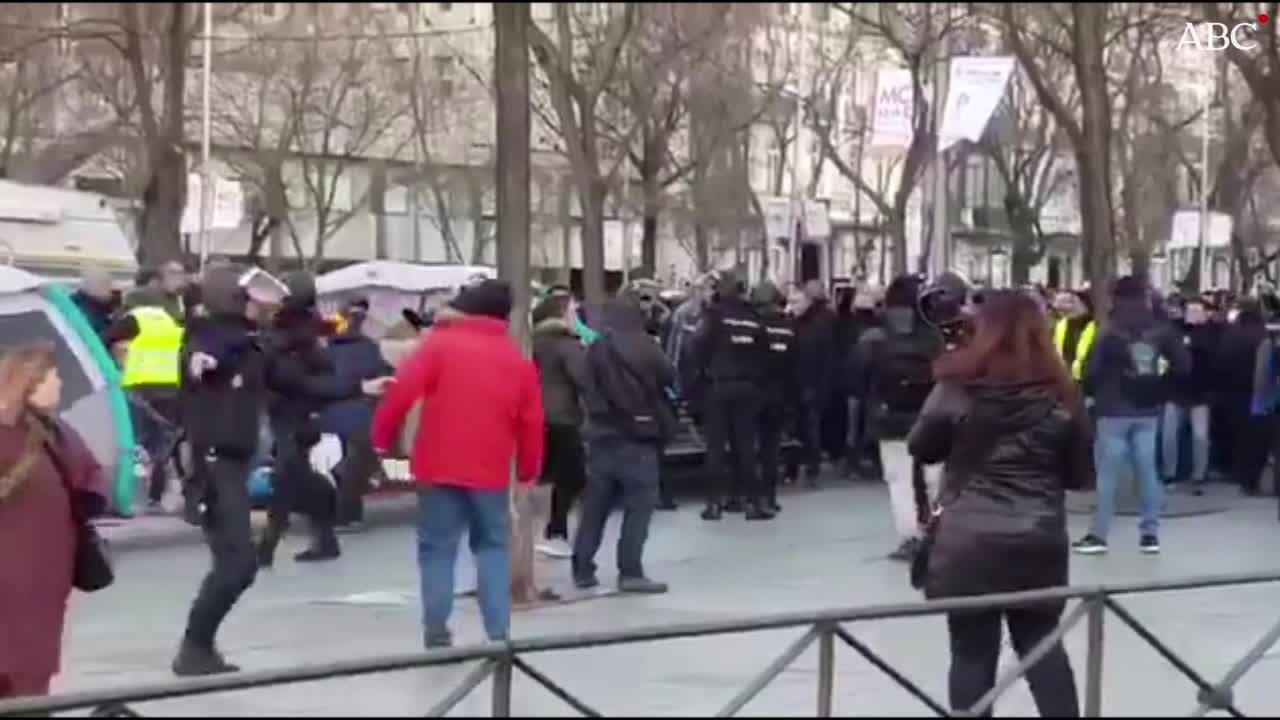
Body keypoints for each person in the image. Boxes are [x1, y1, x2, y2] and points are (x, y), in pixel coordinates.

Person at [907, 290, 1087, 717]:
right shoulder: (1062, 394)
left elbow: (923, 447)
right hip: (1038, 535)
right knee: (1043, 647)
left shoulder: (958, 386)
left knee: (971, 652)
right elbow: (1079, 476)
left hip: (969, 537)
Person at [371, 279, 544, 648]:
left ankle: (436, 629)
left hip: (438, 466)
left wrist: (382, 439)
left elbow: (401, 392)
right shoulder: (517, 359)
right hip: (491, 471)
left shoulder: (439, 346)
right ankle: (497, 634)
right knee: (492, 548)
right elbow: (531, 423)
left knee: (437, 548)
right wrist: (528, 470)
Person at [173, 265, 286, 676]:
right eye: (254, 297)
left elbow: (292, 380)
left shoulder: (253, 348)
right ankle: (194, 648)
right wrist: (198, 361)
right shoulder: (207, 339)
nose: (264, 306)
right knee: (237, 564)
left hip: (234, 465)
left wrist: (356, 388)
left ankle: (197, 648)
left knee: (237, 565)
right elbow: (202, 356)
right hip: (215, 466)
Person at [257, 272, 388, 567]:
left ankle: (268, 546)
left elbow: (297, 381)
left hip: (293, 416)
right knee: (295, 477)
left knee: (287, 478)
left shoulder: (290, 334)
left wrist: (357, 388)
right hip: (301, 415)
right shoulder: (307, 331)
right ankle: (323, 536)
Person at [0, 344, 108, 698]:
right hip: (27, 575)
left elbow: (91, 482)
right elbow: (94, 486)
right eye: (53, 375)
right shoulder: (48, 435)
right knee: (26, 671)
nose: (60, 383)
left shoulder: (55, 432)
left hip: (41, 573)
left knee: (25, 666)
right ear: (30, 383)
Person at [1074, 276, 1190, 555]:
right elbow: (1184, 365)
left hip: (1112, 408)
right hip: (1148, 408)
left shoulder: (1110, 329)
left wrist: (1092, 393)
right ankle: (1150, 535)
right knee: (1148, 471)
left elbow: (1092, 370)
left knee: (1108, 474)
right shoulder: (1160, 328)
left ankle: (1098, 535)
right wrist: (1160, 386)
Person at [573, 294, 677, 594]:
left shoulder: (595, 350)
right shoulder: (648, 347)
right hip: (639, 440)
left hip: (602, 438)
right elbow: (670, 377)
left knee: (594, 508)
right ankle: (630, 571)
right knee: (639, 508)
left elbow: (585, 386)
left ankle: (582, 568)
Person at [855, 274, 945, 561]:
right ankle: (939, 532)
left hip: (889, 416)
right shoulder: (934, 335)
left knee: (899, 480)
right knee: (934, 477)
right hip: (931, 414)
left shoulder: (874, 335)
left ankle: (909, 537)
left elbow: (855, 377)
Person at [691, 270, 771, 521]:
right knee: (746, 446)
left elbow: (698, 347)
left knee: (716, 448)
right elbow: (763, 354)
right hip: (746, 388)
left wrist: (702, 376)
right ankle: (752, 502)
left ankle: (714, 504)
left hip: (718, 387)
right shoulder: (753, 317)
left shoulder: (714, 315)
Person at [321, 298, 394, 531]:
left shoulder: (326, 349)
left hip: (330, 414)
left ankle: (340, 513)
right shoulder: (369, 347)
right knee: (354, 462)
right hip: (362, 414)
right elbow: (385, 375)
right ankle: (350, 514)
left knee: (342, 463)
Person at [531, 292, 589, 559]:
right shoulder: (567, 344)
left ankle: (545, 531)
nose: (577, 317)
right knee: (572, 477)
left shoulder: (535, 340)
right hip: (562, 416)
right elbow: (584, 379)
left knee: (548, 475)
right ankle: (554, 532)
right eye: (573, 312)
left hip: (537, 415)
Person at [117, 287, 186, 513]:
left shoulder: (134, 320)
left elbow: (102, 340)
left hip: (141, 386)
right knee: (163, 445)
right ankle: (156, 495)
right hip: (171, 387)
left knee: (138, 441)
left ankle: (136, 494)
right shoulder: (170, 321)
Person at [752, 281, 797, 513]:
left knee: (754, 447)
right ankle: (769, 496)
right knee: (771, 448)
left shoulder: (756, 327)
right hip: (780, 395)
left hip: (756, 393)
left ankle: (757, 498)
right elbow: (796, 363)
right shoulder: (789, 327)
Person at [1162, 299, 1217, 488]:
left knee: (1200, 437)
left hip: (1200, 393)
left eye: (1198, 311)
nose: (1194, 314)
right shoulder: (1174, 331)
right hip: (1175, 391)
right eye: (1191, 310)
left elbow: (1212, 357)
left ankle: (1199, 475)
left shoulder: (1211, 333)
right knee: (1169, 434)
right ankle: (1169, 472)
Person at [1218, 299, 1271, 495]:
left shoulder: (1231, 335)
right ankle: (1250, 480)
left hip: (1232, 391)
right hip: (1256, 392)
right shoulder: (1261, 335)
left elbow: (1221, 360)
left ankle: (1236, 472)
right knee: (1256, 440)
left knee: (1237, 434)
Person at [790, 279, 837, 485]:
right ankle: (798, 464)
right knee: (797, 427)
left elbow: (826, 359)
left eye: (797, 301)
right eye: (791, 302)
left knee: (810, 427)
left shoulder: (818, 326)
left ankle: (812, 466)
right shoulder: (793, 324)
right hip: (796, 382)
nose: (793, 306)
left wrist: (821, 386)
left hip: (811, 384)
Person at [1051, 291, 1096, 382]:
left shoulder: (1095, 326)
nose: (1069, 306)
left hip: (1085, 382)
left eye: (1072, 302)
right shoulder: (1060, 325)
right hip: (1063, 379)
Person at [71, 268, 122, 345]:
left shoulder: (77, 304)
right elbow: (97, 343)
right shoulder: (92, 317)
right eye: (107, 285)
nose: (112, 292)